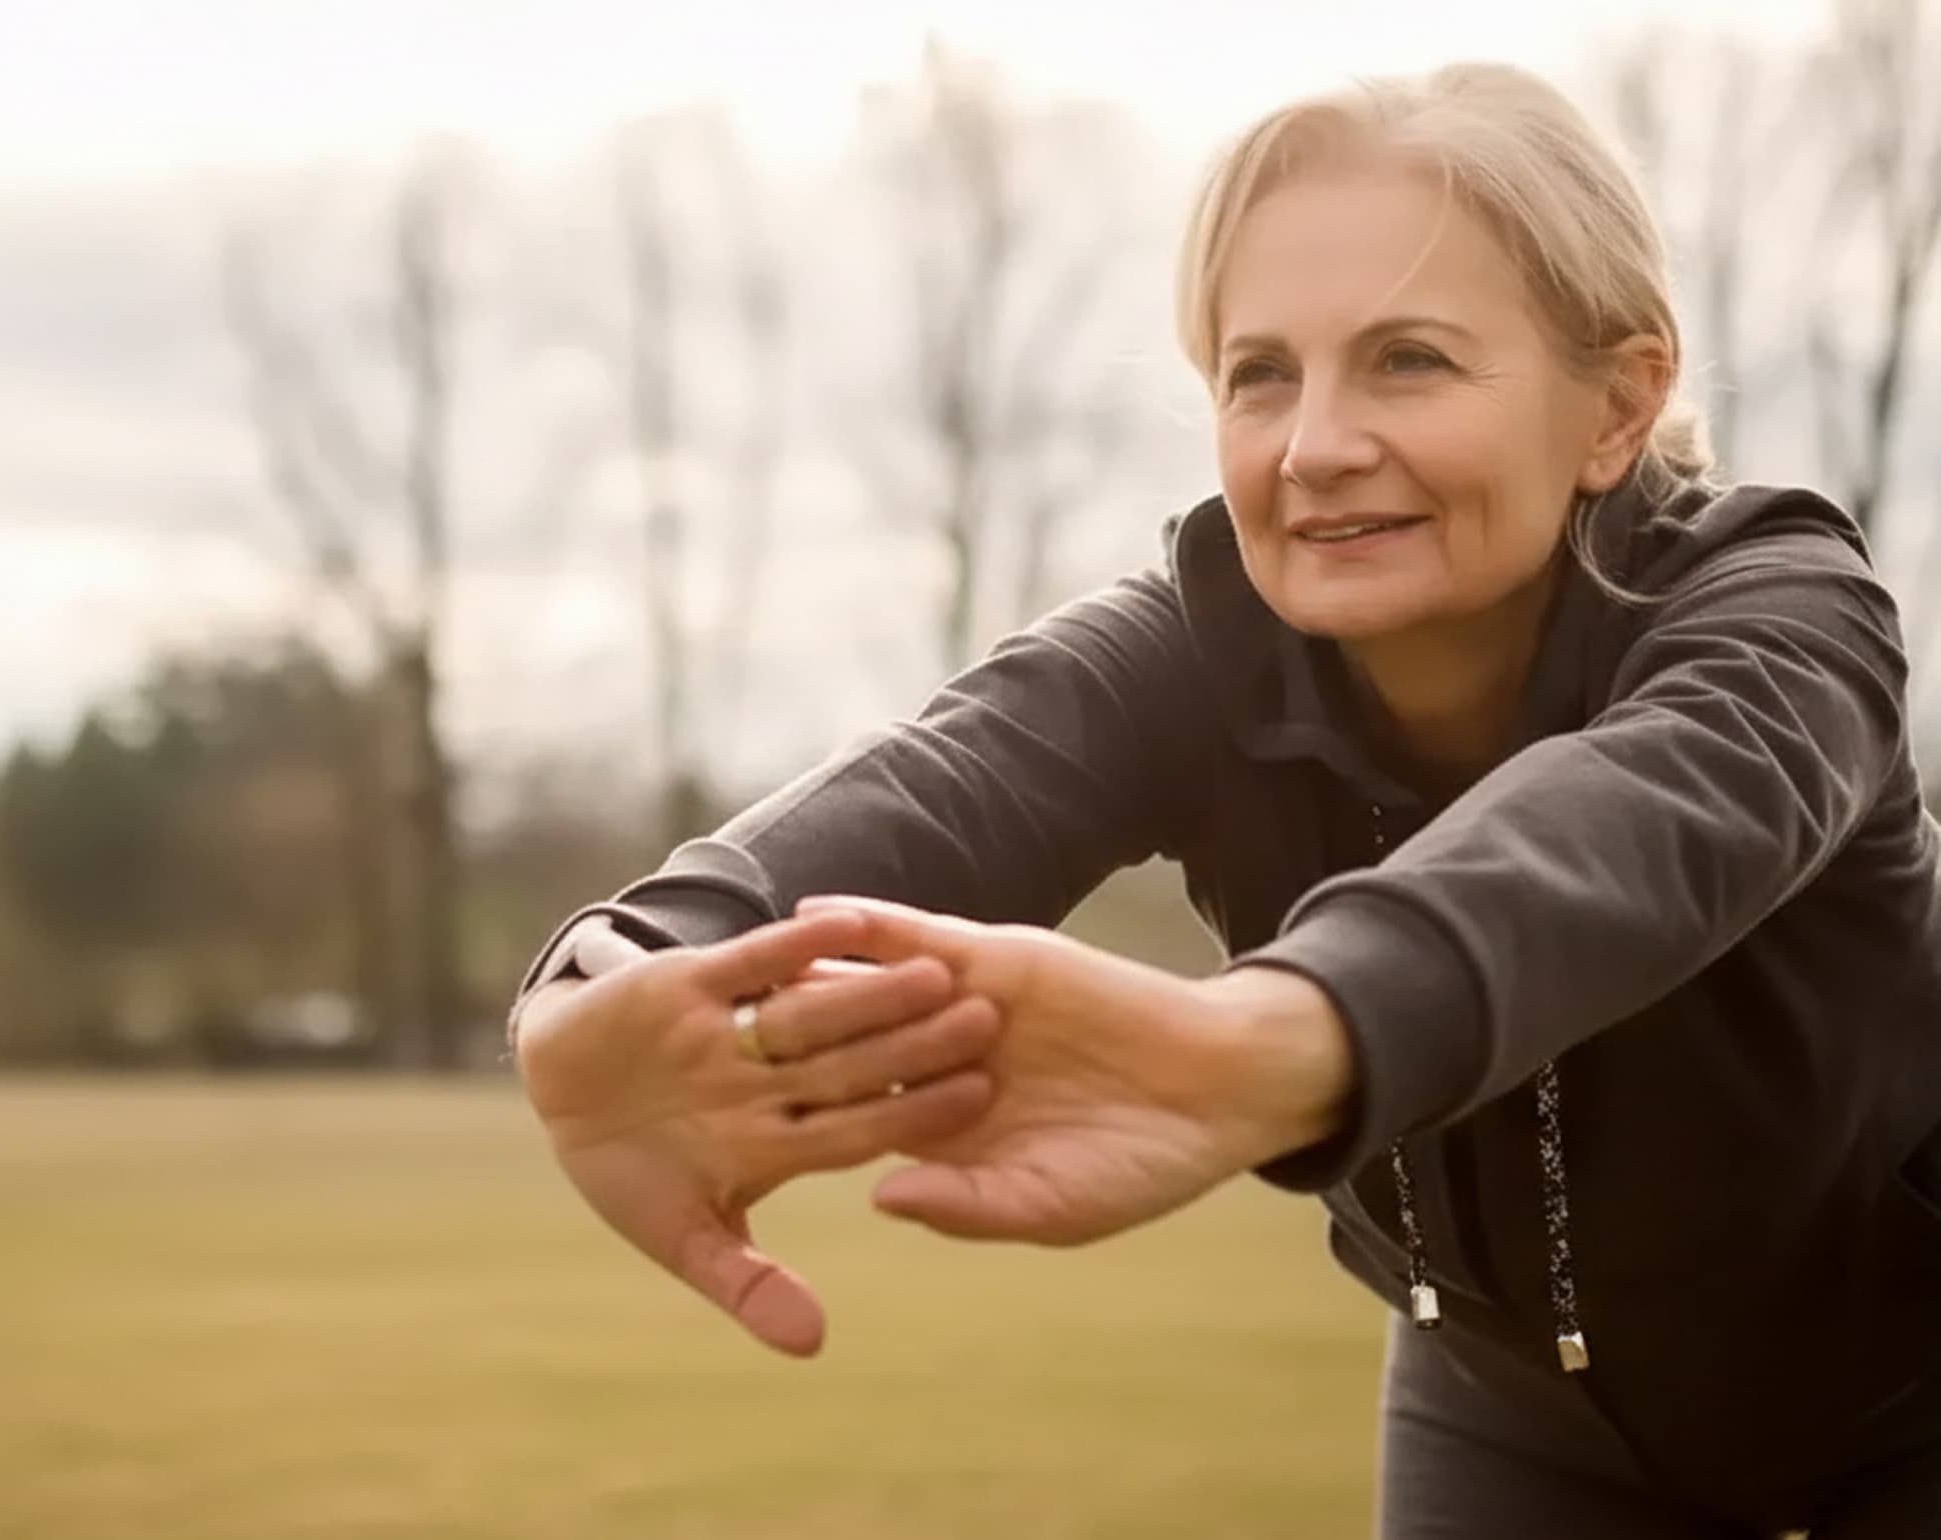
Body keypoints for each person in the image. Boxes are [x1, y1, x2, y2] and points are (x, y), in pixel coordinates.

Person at [506, 61, 1941, 1539]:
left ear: (1618, 404)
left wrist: (1263, 1041)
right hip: (1516, 1404)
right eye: (1261, 374)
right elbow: (941, 784)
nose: (1315, 446)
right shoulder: (1199, 648)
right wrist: (606, 984)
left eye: (1409, 360)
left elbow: (1622, 838)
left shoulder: (1784, 611)